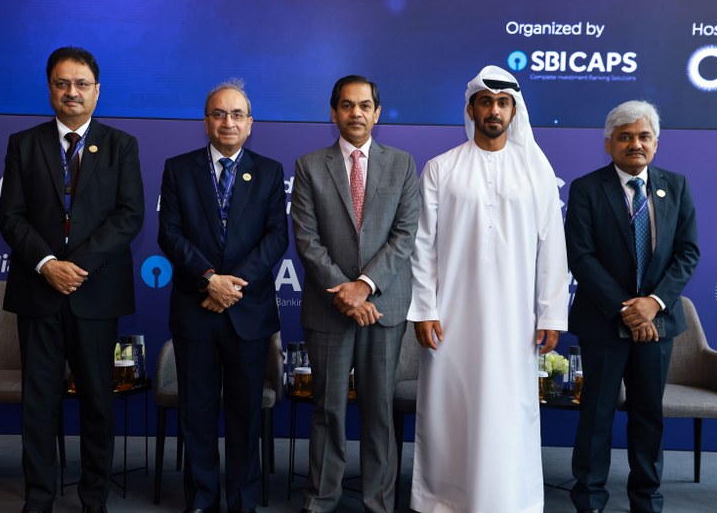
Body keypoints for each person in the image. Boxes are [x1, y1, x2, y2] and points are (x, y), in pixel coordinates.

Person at [407, 65, 569, 513]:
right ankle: (444, 500)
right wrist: (424, 309)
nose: (494, 111)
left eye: (502, 103)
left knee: (508, 410)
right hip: (451, 318)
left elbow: (552, 247)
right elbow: (423, 246)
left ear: (514, 111)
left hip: (516, 319)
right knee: (451, 410)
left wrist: (550, 314)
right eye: (485, 102)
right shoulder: (441, 168)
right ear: (471, 110)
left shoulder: (536, 171)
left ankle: (509, 501)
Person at [0, 46, 145, 513]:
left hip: (95, 292)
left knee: (98, 402)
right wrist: (47, 264)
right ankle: (38, 498)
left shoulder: (121, 145)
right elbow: (10, 216)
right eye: (62, 84)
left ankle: (93, 498)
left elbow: (129, 216)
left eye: (81, 84)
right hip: (38, 292)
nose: (72, 92)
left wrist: (75, 266)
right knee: (39, 404)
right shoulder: (23, 144)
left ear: (98, 91)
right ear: (50, 89)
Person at [158, 79, 288, 513]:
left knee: (245, 413)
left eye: (236, 114)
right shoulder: (178, 169)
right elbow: (169, 234)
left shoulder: (270, 171)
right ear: (206, 121)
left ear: (250, 123)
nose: (227, 122)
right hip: (195, 308)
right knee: (196, 411)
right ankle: (201, 498)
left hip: (248, 312)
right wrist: (209, 279)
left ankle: (242, 500)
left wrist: (231, 286)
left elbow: (276, 238)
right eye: (218, 114)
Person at [290, 75, 419, 513]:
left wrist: (364, 288)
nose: (356, 113)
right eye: (347, 105)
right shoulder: (309, 166)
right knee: (327, 409)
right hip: (328, 308)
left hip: (382, 307)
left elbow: (405, 235)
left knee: (379, 411)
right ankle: (320, 499)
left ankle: (378, 502)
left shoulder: (402, 164)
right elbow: (307, 240)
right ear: (334, 113)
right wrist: (344, 294)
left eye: (365, 106)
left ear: (377, 113)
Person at [566, 100, 699, 513]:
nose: (635, 144)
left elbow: (687, 252)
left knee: (648, 417)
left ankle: (646, 500)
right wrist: (628, 309)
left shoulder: (676, 186)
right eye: (625, 137)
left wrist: (653, 304)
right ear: (609, 144)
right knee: (596, 416)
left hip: (658, 324)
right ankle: (589, 499)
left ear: (656, 143)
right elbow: (581, 256)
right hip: (603, 322)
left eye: (643, 136)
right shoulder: (587, 188)